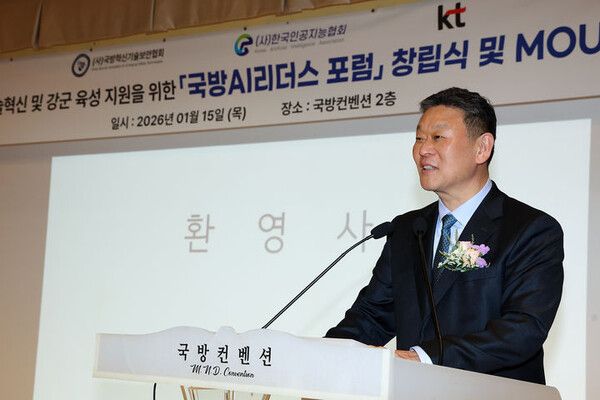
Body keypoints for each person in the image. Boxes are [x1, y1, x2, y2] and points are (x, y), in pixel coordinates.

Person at [326, 87, 564, 384]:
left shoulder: (530, 230)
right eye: (418, 138)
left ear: (482, 148)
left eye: (438, 137)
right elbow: (371, 317)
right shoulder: (407, 229)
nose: (423, 150)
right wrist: (321, 357)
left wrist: (425, 357)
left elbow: (523, 330)